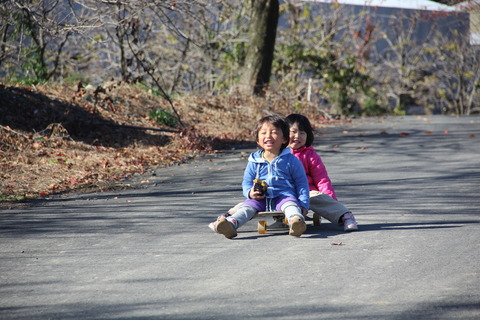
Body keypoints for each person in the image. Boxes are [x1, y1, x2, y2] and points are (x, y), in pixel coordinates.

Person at [209, 114, 310, 239]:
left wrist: (303, 204)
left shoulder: (291, 160)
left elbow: (301, 184)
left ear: (284, 139)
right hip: (259, 199)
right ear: (257, 139)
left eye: (274, 132)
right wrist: (250, 193)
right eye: (263, 133)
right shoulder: (254, 161)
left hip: (284, 196)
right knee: (246, 208)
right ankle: (231, 224)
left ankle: (296, 222)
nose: (268, 136)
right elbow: (246, 182)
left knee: (291, 206)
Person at [285, 113, 358, 231]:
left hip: (306, 191)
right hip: (283, 192)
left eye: (302, 133)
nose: (297, 136)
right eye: (293, 132)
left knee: (317, 197)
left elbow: (321, 180)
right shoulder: (277, 154)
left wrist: (330, 199)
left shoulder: (310, 156)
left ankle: (345, 216)